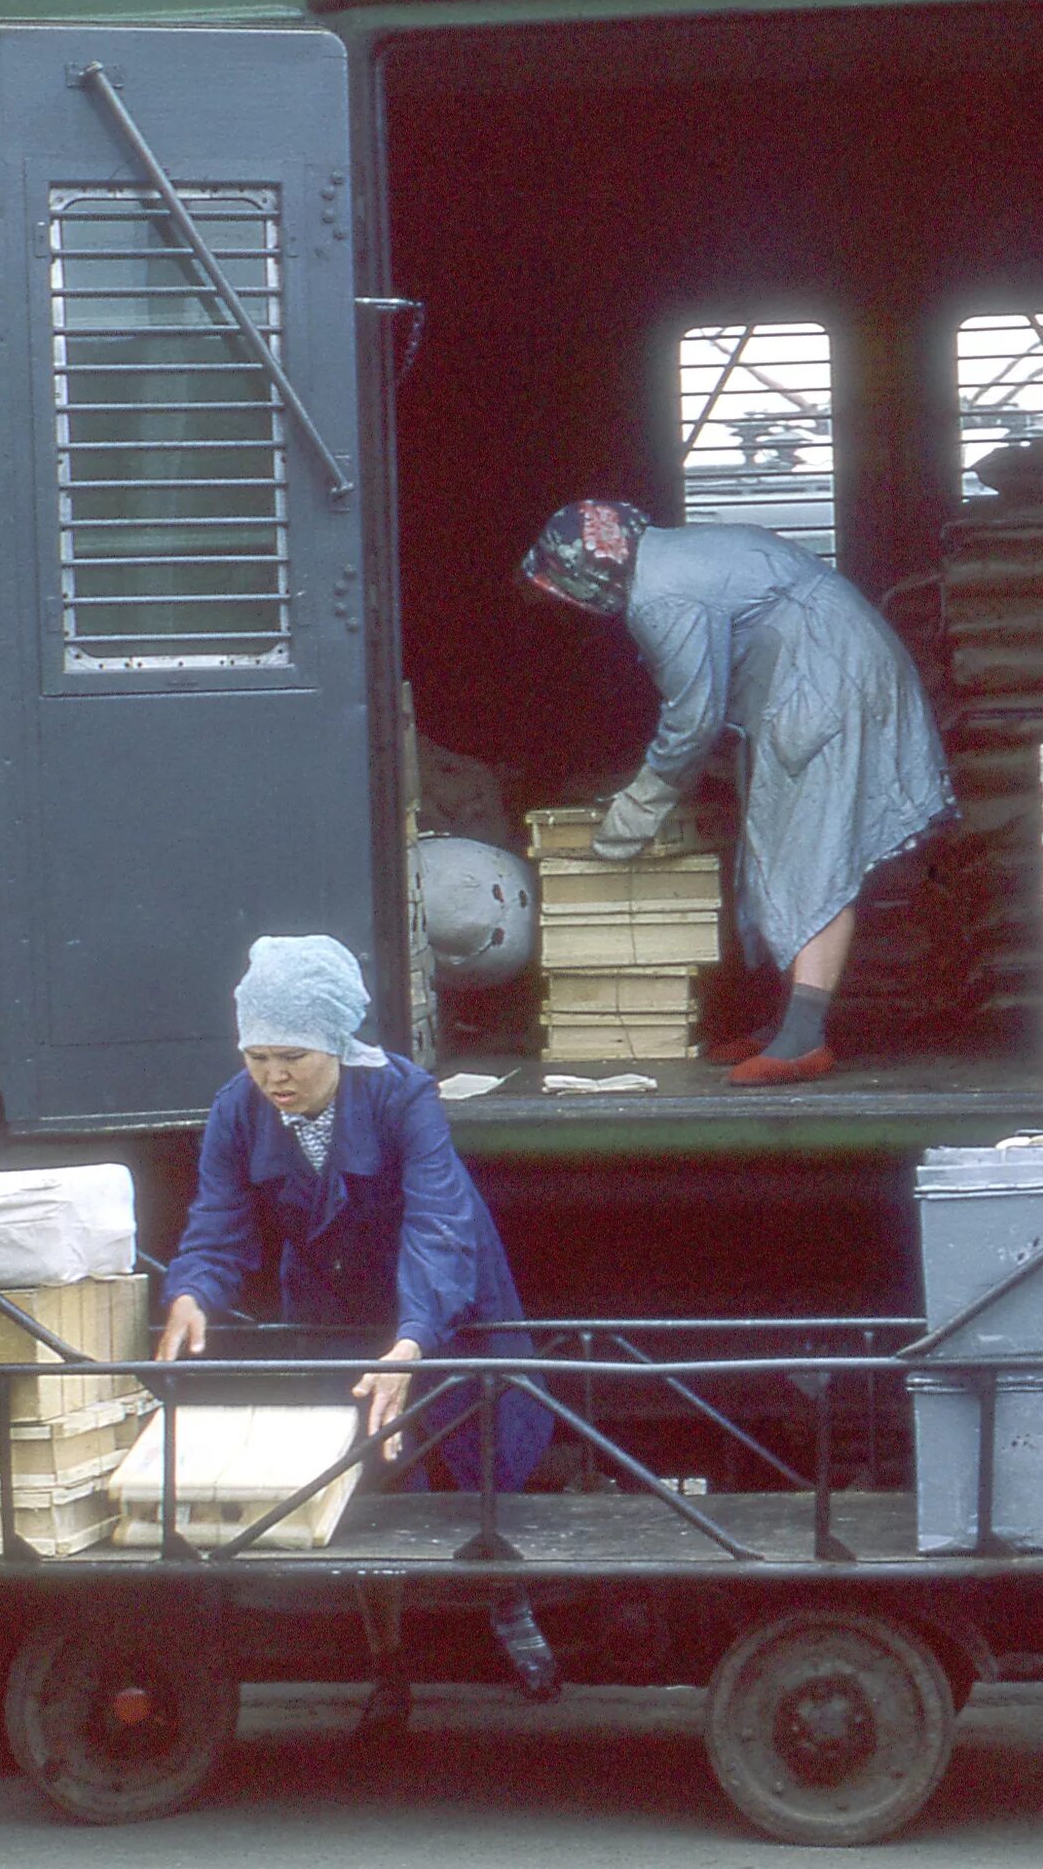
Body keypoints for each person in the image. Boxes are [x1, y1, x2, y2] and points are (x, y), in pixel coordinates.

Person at [154, 935, 559, 1731]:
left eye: (293, 1056)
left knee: (479, 1462)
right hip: (338, 1313)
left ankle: (509, 1609)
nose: (274, 1076)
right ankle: (387, 1664)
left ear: (337, 1043)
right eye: (257, 1055)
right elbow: (219, 1220)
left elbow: (441, 1223)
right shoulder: (239, 1109)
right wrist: (194, 1290)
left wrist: (412, 1339)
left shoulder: (402, 1095)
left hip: (447, 1302)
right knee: (366, 1485)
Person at [523, 499, 954, 1084]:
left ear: (589, 574)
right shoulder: (675, 552)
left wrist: (635, 811)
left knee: (814, 858)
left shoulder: (660, 596)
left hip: (824, 685)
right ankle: (785, 1020)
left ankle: (803, 1037)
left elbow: (691, 722)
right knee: (776, 854)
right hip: (824, 673)